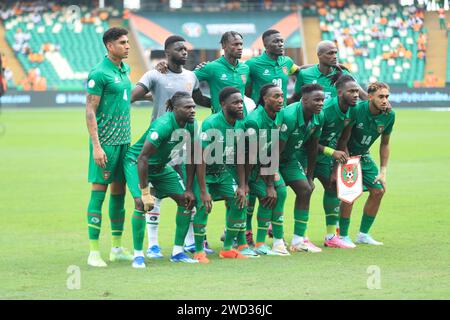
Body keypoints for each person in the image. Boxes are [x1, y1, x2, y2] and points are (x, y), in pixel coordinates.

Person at [131, 35, 211, 259]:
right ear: (167, 53)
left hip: (184, 144)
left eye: (186, 49)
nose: (184, 52)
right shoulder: (155, 74)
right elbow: (134, 95)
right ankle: (153, 244)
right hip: (159, 144)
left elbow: (199, 99)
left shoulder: (191, 76)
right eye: (179, 49)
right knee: (154, 196)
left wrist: (220, 103)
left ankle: (186, 243)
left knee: (187, 192)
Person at [124, 92, 212, 268]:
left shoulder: (191, 125)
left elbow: (194, 157)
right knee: (142, 204)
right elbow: (143, 158)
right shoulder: (162, 125)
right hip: (137, 164)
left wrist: (189, 189)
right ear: (175, 109)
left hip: (160, 167)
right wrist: (145, 192)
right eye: (188, 107)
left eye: (194, 106)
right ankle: (138, 255)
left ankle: (178, 252)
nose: (193, 110)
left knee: (187, 201)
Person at [243, 29, 300, 245]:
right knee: (251, 182)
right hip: (259, 120)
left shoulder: (286, 62)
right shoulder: (253, 64)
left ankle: (264, 231)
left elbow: (300, 73)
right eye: (276, 41)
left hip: (277, 118)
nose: (281, 43)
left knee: (274, 182)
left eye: (282, 40)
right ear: (266, 45)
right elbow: (241, 79)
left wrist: (295, 96)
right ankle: (245, 230)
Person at [85, 27, 133, 267]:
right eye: (122, 42)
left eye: (127, 42)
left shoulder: (125, 70)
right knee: (98, 194)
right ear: (109, 45)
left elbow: (125, 98)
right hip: (106, 144)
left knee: (119, 195)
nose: (127, 46)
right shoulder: (99, 73)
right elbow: (90, 110)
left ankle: (116, 248)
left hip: (125, 142)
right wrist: (96, 146)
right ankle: (94, 252)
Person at [195, 87, 257, 262]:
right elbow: (200, 158)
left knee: (240, 201)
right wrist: (203, 190)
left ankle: (228, 248)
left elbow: (239, 157)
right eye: (235, 103)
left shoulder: (240, 125)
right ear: (223, 104)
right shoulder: (211, 123)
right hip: (203, 173)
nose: (240, 106)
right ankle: (199, 251)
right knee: (203, 206)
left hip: (222, 172)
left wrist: (243, 185)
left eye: (241, 103)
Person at [298, 75, 359, 249]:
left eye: (357, 91)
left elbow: (343, 140)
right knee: (304, 190)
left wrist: (335, 170)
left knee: (333, 187)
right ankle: (301, 236)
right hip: (304, 153)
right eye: (352, 91)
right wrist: (331, 152)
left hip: (325, 157)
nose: (356, 95)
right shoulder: (325, 110)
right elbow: (309, 141)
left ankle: (331, 236)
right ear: (340, 93)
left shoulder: (352, 110)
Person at [336, 82, 395, 246]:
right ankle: (343, 236)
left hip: (364, 156)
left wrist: (383, 170)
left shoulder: (389, 115)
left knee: (379, 190)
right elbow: (342, 135)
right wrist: (346, 156)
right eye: (381, 97)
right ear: (370, 97)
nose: (385, 100)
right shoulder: (356, 110)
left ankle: (363, 234)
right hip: (346, 154)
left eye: (387, 97)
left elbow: (385, 144)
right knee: (350, 194)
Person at [278, 84, 325, 253]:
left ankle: (298, 241)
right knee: (277, 192)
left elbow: (312, 148)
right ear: (304, 100)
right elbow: (276, 149)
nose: (321, 103)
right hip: (271, 158)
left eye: (322, 100)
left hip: (289, 158)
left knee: (306, 189)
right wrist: (271, 177)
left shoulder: (319, 116)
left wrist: (310, 177)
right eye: (317, 100)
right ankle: (277, 239)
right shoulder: (289, 116)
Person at [244, 84, 290, 256]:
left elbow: (274, 149)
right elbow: (250, 156)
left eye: (282, 96)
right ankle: (258, 242)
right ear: (264, 99)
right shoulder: (254, 121)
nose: (280, 100)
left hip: (266, 162)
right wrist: (265, 184)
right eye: (276, 96)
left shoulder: (280, 115)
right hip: (248, 166)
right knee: (266, 196)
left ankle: (278, 241)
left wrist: (271, 181)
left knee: (281, 192)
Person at [288, 40, 366, 103]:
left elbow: (363, 96)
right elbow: (295, 99)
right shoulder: (304, 74)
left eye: (335, 53)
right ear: (319, 55)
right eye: (330, 53)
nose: (335, 56)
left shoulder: (344, 74)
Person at [194, 31, 250, 115]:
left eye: (241, 44)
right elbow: (188, 79)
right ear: (224, 46)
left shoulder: (245, 68)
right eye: (235, 44)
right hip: (220, 121)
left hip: (242, 120)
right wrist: (201, 99)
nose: (240, 47)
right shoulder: (211, 67)